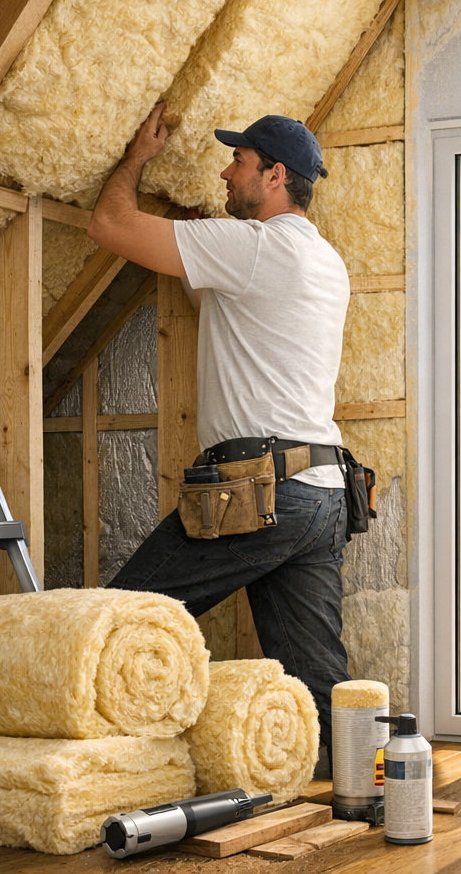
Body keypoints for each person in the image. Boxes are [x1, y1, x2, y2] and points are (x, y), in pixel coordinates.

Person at [87, 102, 352, 761]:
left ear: (274, 176)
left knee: (119, 623)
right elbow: (226, 306)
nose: (226, 171)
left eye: (239, 161)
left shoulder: (258, 247)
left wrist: (138, 159)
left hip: (257, 492)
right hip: (322, 492)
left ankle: (95, 767)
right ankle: (366, 785)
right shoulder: (324, 263)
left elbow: (109, 223)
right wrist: (205, 251)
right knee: (319, 686)